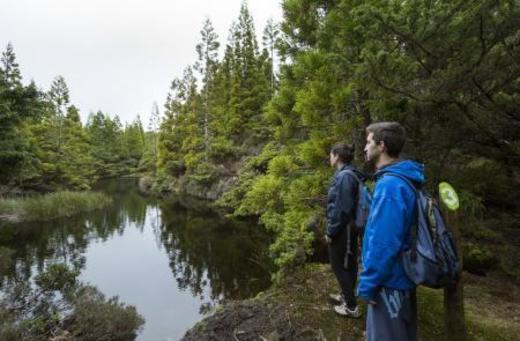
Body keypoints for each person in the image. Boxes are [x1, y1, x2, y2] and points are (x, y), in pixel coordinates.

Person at [357, 122, 424, 341]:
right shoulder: (404, 179)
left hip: (389, 283)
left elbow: (384, 242)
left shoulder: (391, 186)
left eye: (368, 142)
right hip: (400, 279)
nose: (365, 148)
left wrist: (369, 284)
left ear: (382, 145)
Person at [326, 143, 364, 318]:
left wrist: (331, 231)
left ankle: (351, 307)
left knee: (339, 265)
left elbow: (342, 208)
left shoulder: (345, 177)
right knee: (348, 263)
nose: (329, 157)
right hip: (349, 227)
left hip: (344, 229)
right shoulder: (347, 174)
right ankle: (346, 295)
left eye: (331, 154)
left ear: (337, 156)